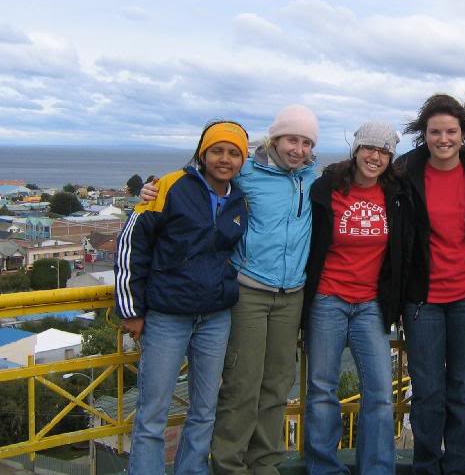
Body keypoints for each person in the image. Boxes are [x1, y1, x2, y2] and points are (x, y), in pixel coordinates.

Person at [141, 105, 319, 475]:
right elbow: (205, 178)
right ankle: (229, 466)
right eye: (291, 139)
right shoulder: (248, 173)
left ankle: (265, 464)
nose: (298, 149)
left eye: (306, 142)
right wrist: (149, 191)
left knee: (277, 386)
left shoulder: (313, 179)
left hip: (292, 295)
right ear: (275, 139)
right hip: (248, 291)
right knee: (242, 385)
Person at [115, 120, 249, 475]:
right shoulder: (169, 185)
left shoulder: (238, 198)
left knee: (205, 411)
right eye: (217, 150)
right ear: (202, 153)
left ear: (243, 159)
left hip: (215, 316)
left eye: (234, 153)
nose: (225, 159)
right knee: (152, 414)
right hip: (167, 316)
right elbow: (132, 245)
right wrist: (131, 311)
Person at [396, 94, 465, 475]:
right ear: (424, 135)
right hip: (422, 300)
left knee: (463, 389)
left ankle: (456, 466)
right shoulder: (406, 172)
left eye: (451, 131)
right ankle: (426, 465)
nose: (443, 139)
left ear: (463, 133)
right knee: (428, 392)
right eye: (435, 132)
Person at [302, 121, 408, 475]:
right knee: (322, 389)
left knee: (379, 392)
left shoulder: (395, 193)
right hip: (327, 299)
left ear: (390, 157)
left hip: (370, 305)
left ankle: (376, 468)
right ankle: (324, 467)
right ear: (356, 150)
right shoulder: (326, 188)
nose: (374, 157)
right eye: (369, 148)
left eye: (383, 151)